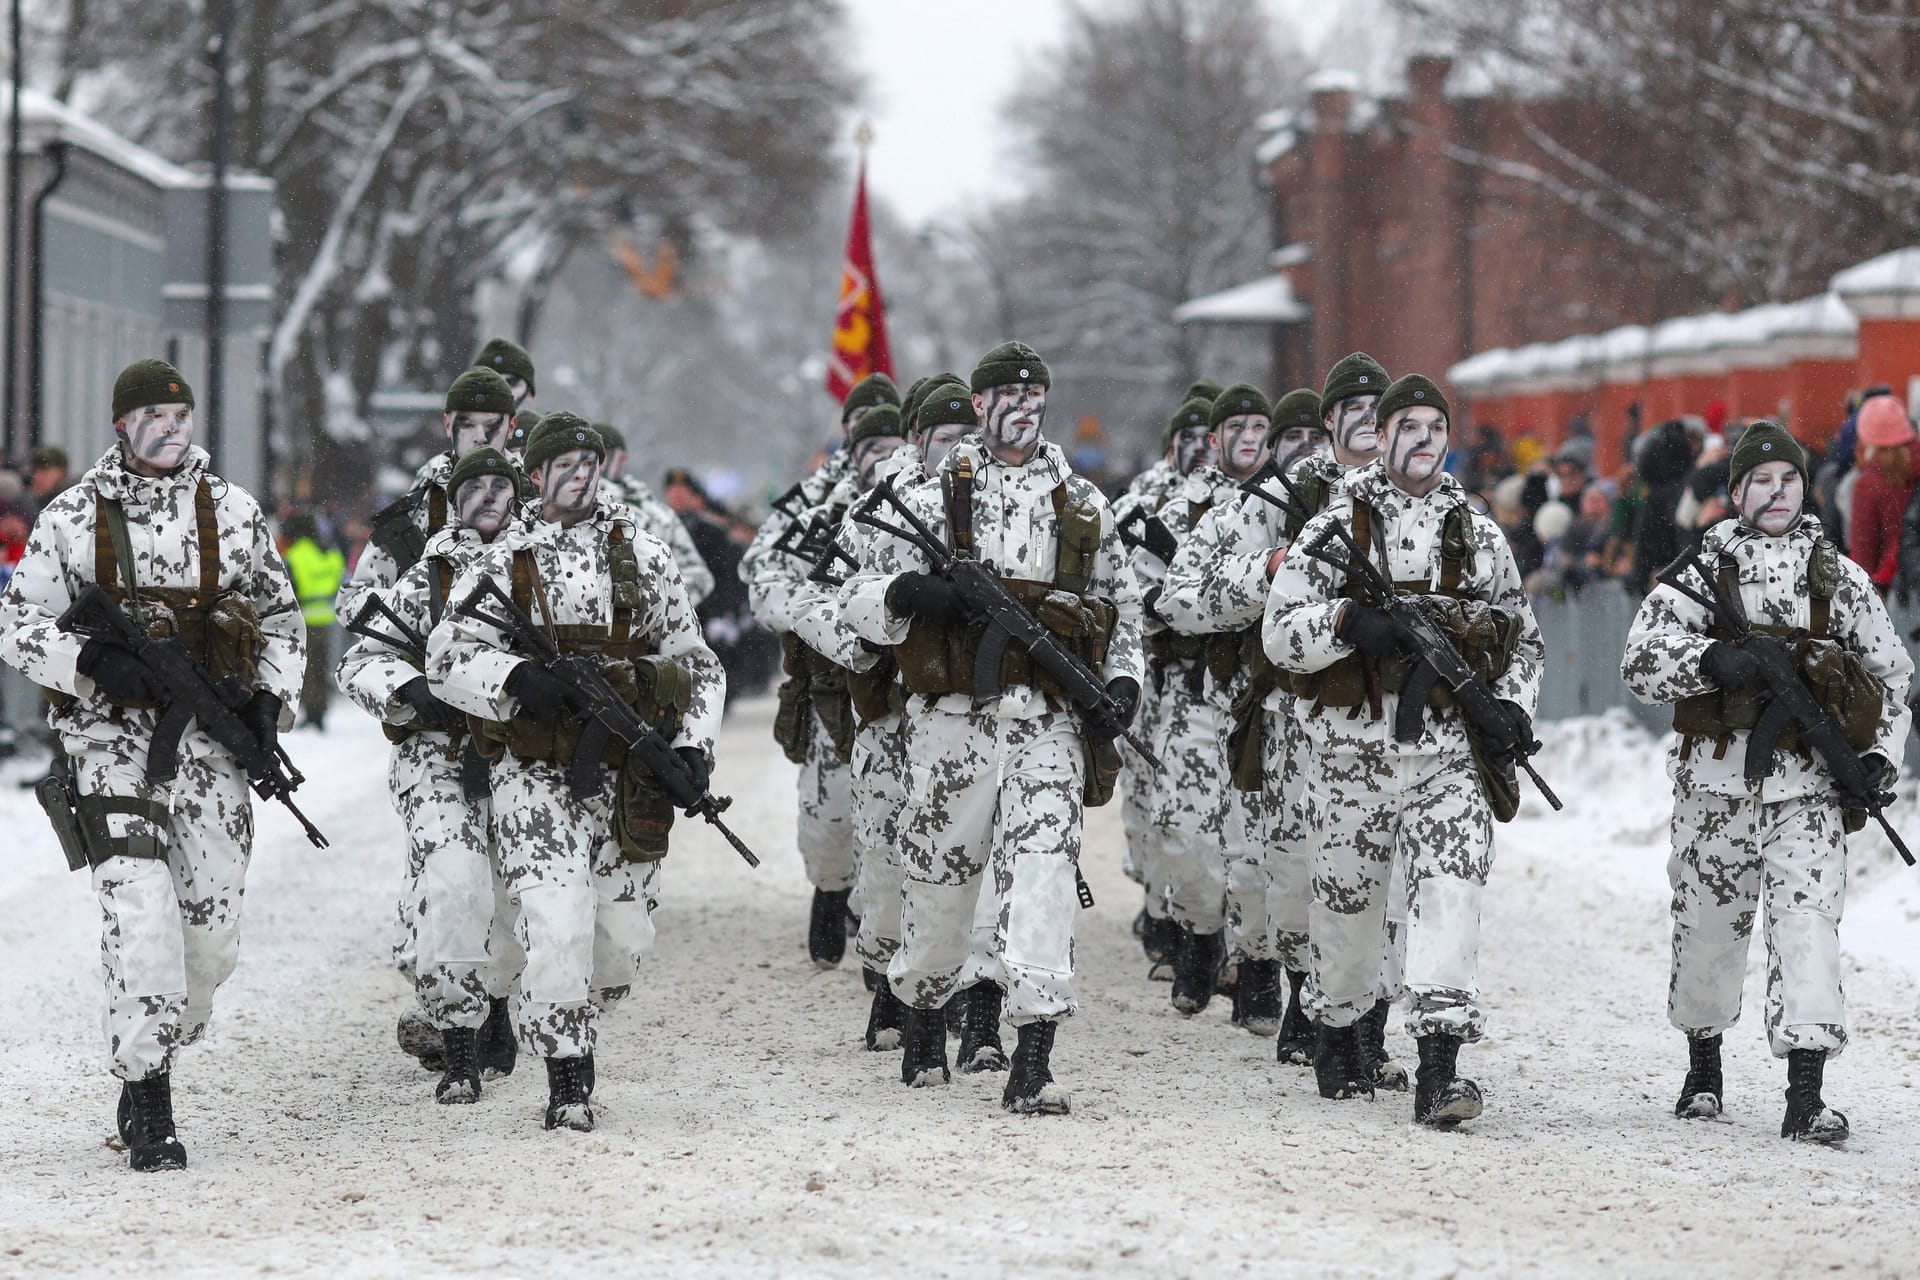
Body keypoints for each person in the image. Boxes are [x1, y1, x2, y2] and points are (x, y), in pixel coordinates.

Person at [0, 358, 305, 1170]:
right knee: (141, 919)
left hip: (210, 749)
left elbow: (281, 619)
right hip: (109, 743)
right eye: (154, 418)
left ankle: (164, 1039)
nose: (172, 432)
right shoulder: (71, 518)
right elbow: (17, 623)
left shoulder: (233, 513)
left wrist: (270, 702)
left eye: (182, 417)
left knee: (207, 943)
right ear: (120, 427)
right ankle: (149, 1098)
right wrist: (92, 666)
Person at [840, 342, 1144, 1112]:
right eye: (1004, 395)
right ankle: (922, 1010)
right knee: (941, 890)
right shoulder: (926, 492)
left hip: (1046, 726)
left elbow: (1124, 608)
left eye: (1033, 393)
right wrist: (907, 593)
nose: (1021, 407)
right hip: (950, 727)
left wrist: (1122, 681)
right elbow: (854, 597)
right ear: (977, 407)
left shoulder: (1080, 503)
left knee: (1042, 878)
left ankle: (1033, 1054)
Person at [428, 412, 723, 1132]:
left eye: (589, 462)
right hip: (534, 777)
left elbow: (697, 664)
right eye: (562, 463)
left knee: (618, 944)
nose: (578, 475)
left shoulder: (646, 557)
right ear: (535, 475)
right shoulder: (501, 565)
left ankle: (573, 1019)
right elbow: (445, 659)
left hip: (626, 777)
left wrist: (691, 747)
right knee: (555, 924)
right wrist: (516, 676)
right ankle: (568, 1080)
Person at [1620, 421, 1911, 1143]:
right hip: (1715, 791)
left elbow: (1891, 674)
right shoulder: (1701, 570)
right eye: (1760, 481)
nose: (1776, 493)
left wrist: (1878, 755)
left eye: (1788, 480)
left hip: (1808, 793)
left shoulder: (1835, 577)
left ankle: (1806, 1092)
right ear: (1735, 492)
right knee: (1707, 934)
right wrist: (1710, 663)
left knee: (1808, 931)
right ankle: (1704, 1064)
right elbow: (1641, 660)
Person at [1265, 373, 1543, 1127]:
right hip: (1352, 756)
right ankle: (1341, 1032)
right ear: (1379, 436)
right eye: (1407, 426)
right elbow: (1279, 634)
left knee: (1450, 896)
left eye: (1434, 426)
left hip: (1449, 758)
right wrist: (1346, 623)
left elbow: (1522, 635)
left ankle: (1440, 1066)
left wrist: (1511, 706)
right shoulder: (1332, 529)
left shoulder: (1478, 533)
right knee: (1348, 909)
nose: (1423, 440)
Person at [337, 366, 521, 1071]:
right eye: (470, 423)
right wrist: (411, 674)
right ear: (448, 425)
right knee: (448, 872)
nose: (483, 434)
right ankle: (452, 1015)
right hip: (434, 726)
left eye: (495, 424)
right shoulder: (412, 518)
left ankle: (497, 1007)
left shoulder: (531, 508)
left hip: (511, 726)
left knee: (510, 880)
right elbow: (359, 607)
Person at [741, 372, 900, 967]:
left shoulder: (927, 495)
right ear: (848, 437)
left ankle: (894, 941)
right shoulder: (812, 503)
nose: (880, 451)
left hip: (905, 684)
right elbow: (763, 579)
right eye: (867, 433)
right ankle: (831, 890)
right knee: (830, 813)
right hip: (831, 685)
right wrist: (825, 620)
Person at [1131, 384, 1272, 1020]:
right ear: (1212, 441)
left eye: (1257, 426)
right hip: (1189, 694)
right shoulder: (1173, 509)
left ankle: (1258, 970)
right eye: (1234, 426)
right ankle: (1201, 932)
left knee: (1260, 847)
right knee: (1182, 835)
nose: (1248, 437)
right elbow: (1138, 598)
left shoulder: (1292, 507)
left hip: (1266, 699)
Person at [1111, 395, 1216, 979]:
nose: (1200, 447)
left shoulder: (1238, 503)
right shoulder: (1143, 504)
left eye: (1210, 435)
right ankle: (1162, 907)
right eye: (1190, 436)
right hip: (1154, 674)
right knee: (1150, 801)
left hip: (1214, 680)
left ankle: (1213, 930)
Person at [593, 423, 716, 606]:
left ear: (623, 458)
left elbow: (698, 576)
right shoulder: (564, 508)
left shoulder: (657, 514)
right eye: (587, 455)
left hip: (644, 629)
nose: (596, 463)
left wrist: (655, 608)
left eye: (605, 455)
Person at [1845, 395, 1915, 597]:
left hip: (1891, 590)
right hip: (1912, 579)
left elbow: (1863, 551)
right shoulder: (1913, 469)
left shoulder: (1869, 482)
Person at [282, 513, 346, 730]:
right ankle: (320, 711)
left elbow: (289, 589)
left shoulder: (296, 554)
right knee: (322, 666)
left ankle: (310, 712)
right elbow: (338, 573)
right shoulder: (328, 551)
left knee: (306, 669)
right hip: (326, 618)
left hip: (304, 620)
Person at [28, 444, 72, 511]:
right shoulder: (27, 507)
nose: (36, 477)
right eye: (34, 471)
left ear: (61, 473)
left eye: (44, 471)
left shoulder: (73, 506)